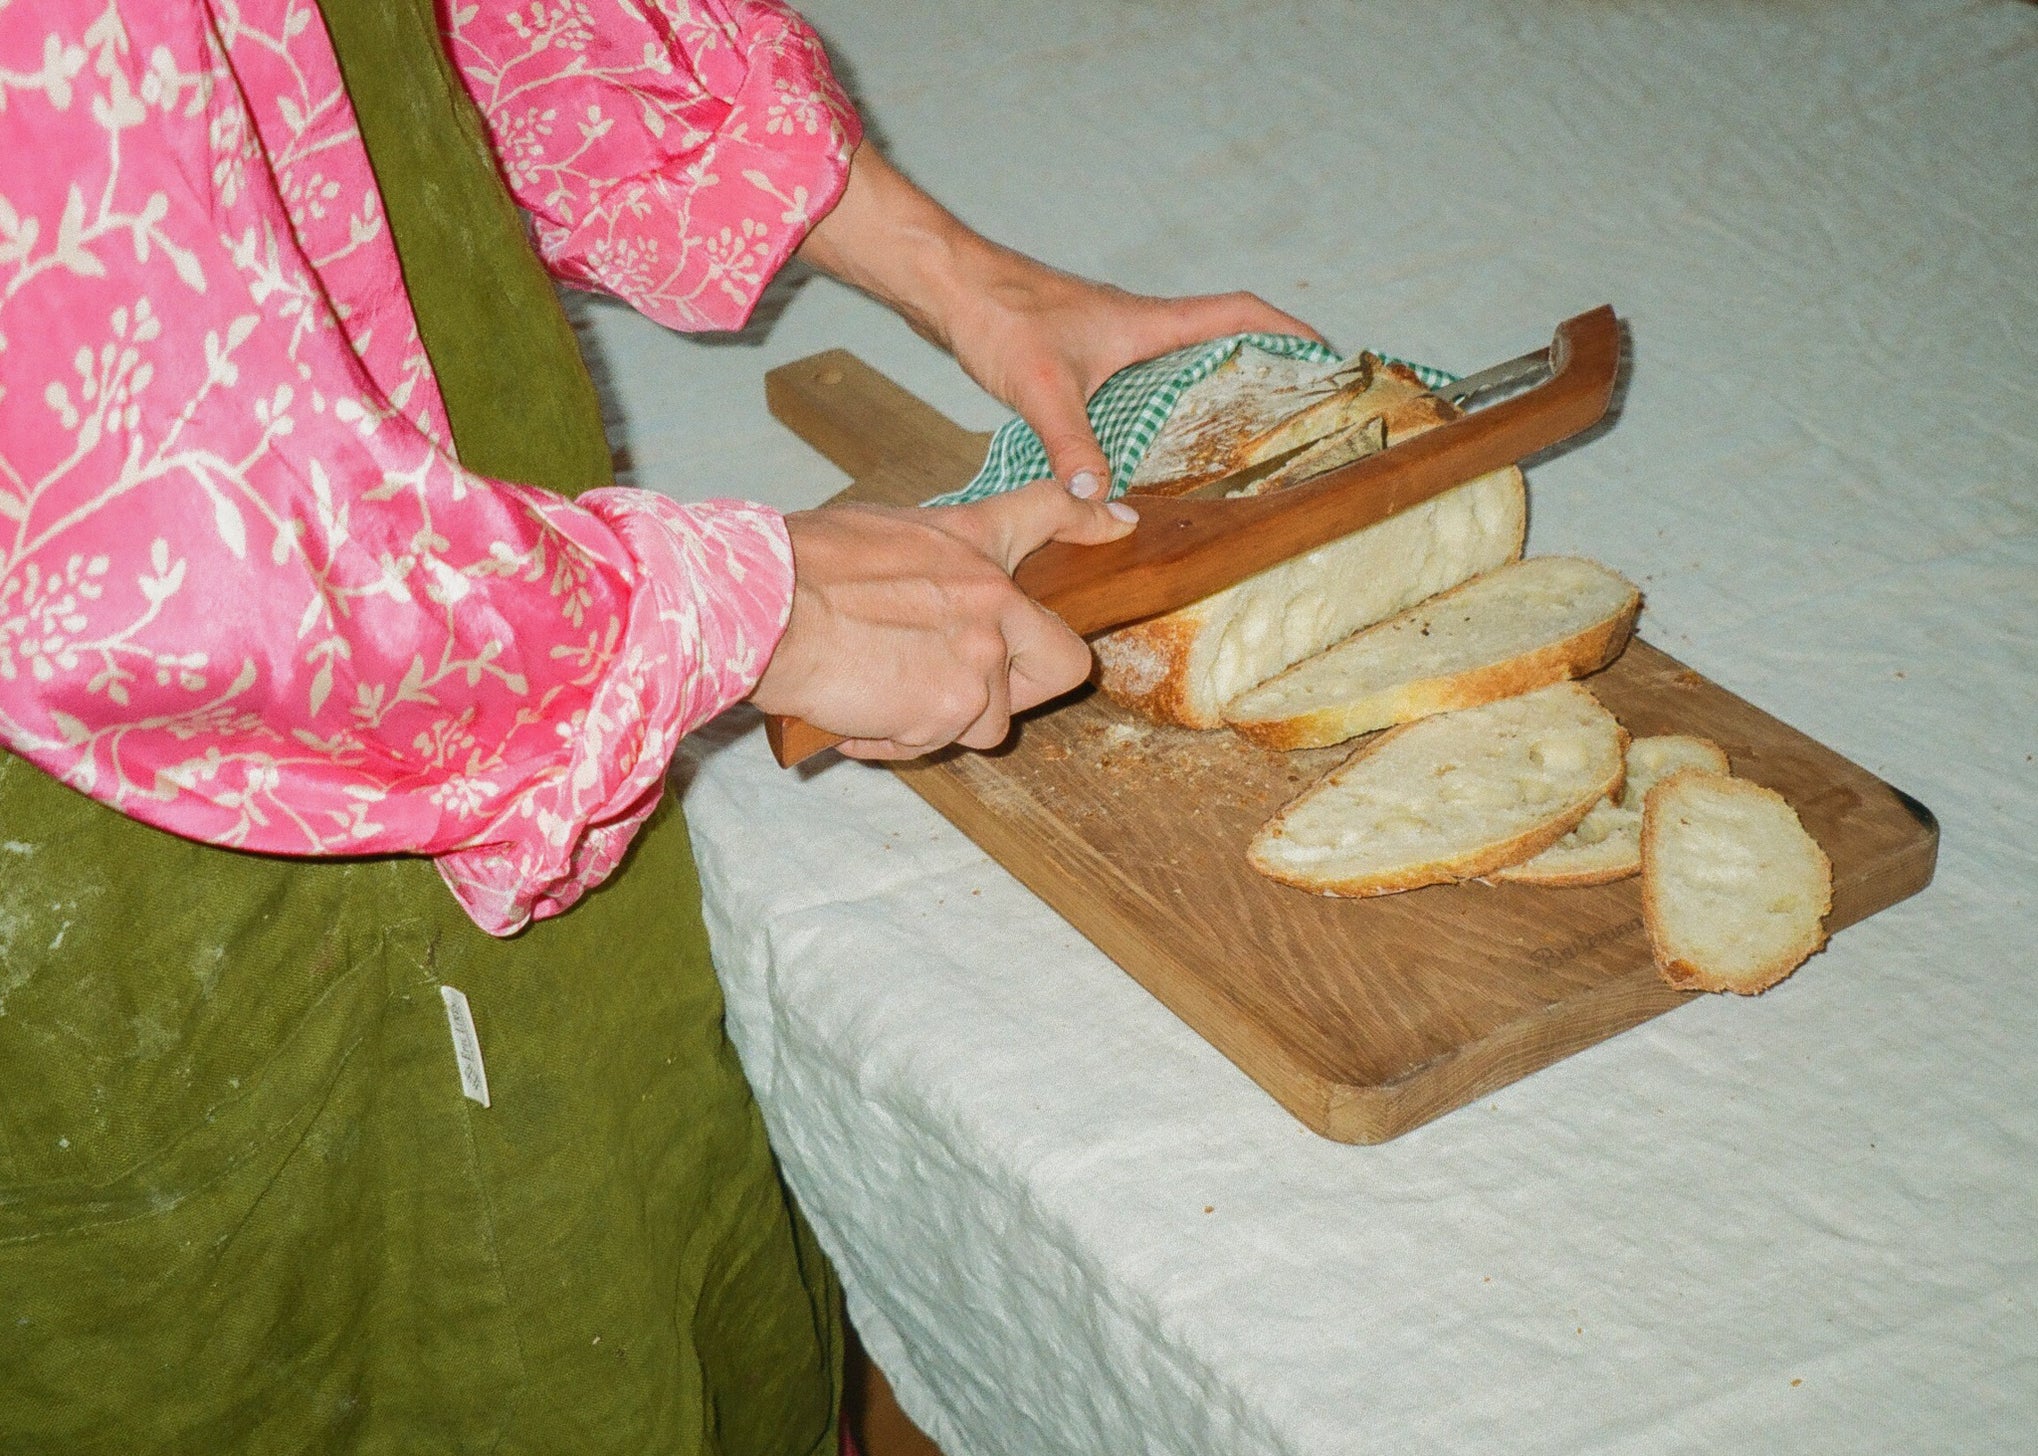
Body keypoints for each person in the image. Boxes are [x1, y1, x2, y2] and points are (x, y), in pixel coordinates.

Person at [0, 1, 1314, 1449]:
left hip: (503, 614)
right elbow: (142, 558)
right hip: (133, 888)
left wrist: (942, 264)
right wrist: (759, 610)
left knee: (641, 1276)